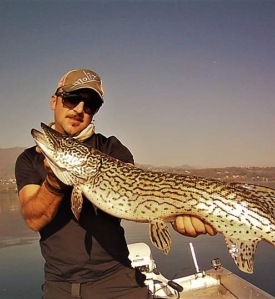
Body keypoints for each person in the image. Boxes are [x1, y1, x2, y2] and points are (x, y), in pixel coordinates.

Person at [15, 68, 217, 299]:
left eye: (90, 104)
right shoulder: (29, 159)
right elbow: (33, 219)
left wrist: (181, 217)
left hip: (116, 280)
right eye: (72, 99)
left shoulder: (112, 149)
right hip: (58, 285)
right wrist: (55, 179)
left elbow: (146, 196)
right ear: (54, 100)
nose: (80, 109)